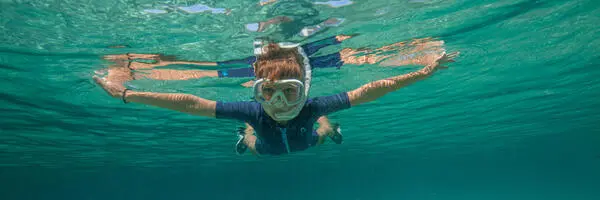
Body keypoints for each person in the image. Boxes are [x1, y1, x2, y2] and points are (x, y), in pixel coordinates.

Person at [94, 37, 459, 156]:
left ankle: (329, 129)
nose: (280, 103)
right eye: (268, 93)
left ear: (305, 90)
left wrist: (422, 71)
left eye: (290, 92)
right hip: (266, 148)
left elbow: (369, 90)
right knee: (255, 144)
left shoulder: (315, 105)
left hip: (308, 141)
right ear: (258, 91)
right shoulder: (252, 110)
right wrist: (128, 93)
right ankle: (245, 137)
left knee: (323, 131)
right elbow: (191, 102)